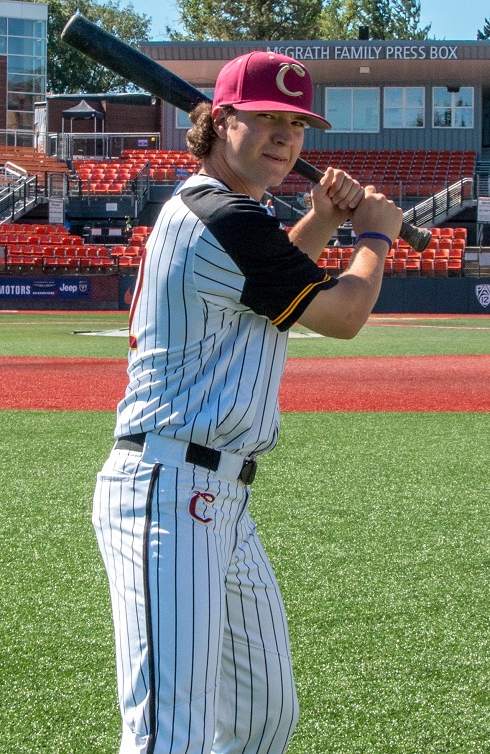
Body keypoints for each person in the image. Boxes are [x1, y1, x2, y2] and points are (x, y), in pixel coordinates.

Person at [91, 50, 402, 754]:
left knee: (264, 716)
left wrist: (321, 219)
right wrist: (376, 236)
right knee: (171, 734)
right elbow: (341, 315)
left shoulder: (235, 216)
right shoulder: (217, 212)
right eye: (265, 119)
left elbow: (265, 292)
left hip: (221, 496)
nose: (285, 139)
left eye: (296, 125)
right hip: (166, 486)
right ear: (220, 119)